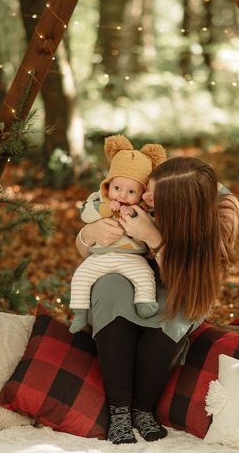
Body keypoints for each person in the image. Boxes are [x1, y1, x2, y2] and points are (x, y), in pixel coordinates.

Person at [74, 156, 239, 444]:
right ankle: (120, 410)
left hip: (181, 283)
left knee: (176, 314)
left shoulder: (222, 215)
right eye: (147, 188)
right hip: (131, 274)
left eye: (154, 195)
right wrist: (87, 234)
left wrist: (153, 237)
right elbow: (91, 252)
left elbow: (191, 288)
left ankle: (143, 408)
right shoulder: (166, 179)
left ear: (179, 206)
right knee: (109, 287)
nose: (144, 197)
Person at [69, 135, 167, 333]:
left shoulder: (144, 209)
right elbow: (85, 214)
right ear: (108, 185)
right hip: (101, 256)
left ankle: (144, 303)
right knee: (81, 276)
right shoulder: (99, 200)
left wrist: (132, 213)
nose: (122, 195)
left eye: (131, 192)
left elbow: (153, 227)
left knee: (144, 276)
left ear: (142, 192)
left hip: (133, 258)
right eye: (117, 188)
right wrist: (105, 210)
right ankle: (79, 314)